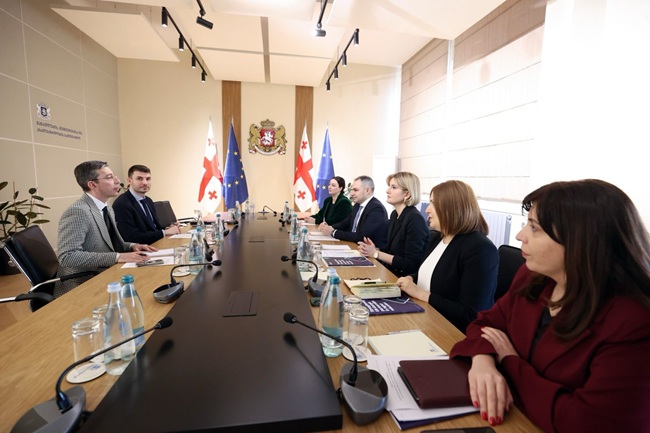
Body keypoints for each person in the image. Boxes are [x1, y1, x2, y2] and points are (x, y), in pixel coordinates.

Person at [450, 179, 650, 432]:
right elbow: (484, 323)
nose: (520, 236)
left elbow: (584, 422)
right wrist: (483, 362)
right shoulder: (532, 278)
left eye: (534, 228)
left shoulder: (634, 323)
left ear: (580, 240)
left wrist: (510, 361)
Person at [396, 180, 498, 332]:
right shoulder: (438, 237)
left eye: (433, 203)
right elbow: (433, 274)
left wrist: (420, 293)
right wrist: (411, 278)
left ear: (452, 208)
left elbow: (471, 314)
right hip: (424, 317)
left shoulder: (480, 248)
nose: (427, 209)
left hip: (450, 332)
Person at [56, 161, 156, 297]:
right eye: (109, 177)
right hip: (82, 285)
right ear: (92, 185)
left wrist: (132, 246)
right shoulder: (78, 211)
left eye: (114, 176)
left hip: (106, 275)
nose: (117, 181)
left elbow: (108, 244)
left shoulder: (107, 208)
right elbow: (67, 257)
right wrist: (118, 257)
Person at [357, 172, 429, 277]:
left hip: (403, 279)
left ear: (407, 194)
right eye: (389, 186)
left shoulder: (415, 219)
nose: (387, 191)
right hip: (389, 273)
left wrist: (376, 253)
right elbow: (391, 251)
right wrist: (373, 249)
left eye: (394, 187)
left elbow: (411, 264)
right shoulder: (395, 214)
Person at [113, 164, 181, 244]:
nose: (145, 183)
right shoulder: (122, 204)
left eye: (148, 179)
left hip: (156, 245)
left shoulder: (148, 200)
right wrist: (164, 232)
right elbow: (131, 237)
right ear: (129, 180)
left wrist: (167, 229)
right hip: (141, 249)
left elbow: (153, 229)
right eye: (139, 179)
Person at [318, 175, 388, 249]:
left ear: (367, 191)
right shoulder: (358, 205)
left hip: (367, 251)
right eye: (351, 190)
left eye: (355, 190)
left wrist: (333, 232)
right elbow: (345, 223)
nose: (351, 194)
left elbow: (362, 236)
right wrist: (329, 227)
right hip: (353, 246)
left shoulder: (376, 209)